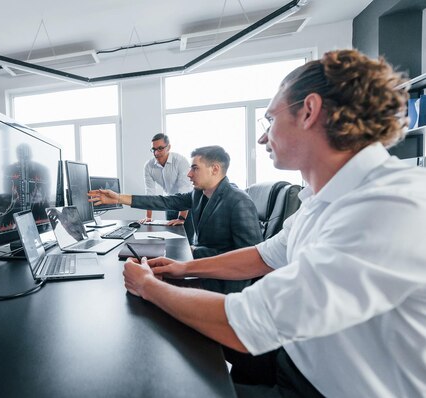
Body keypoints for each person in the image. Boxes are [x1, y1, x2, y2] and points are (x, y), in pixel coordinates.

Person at [122, 49, 426, 397]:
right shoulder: (321, 199)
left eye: (270, 119)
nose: (262, 137)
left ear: (309, 111)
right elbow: (263, 255)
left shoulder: (391, 207)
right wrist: (181, 269)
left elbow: (247, 323)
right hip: (294, 364)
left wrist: (148, 286)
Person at [89, 145, 262, 294]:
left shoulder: (238, 201)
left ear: (215, 169)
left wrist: (229, 304)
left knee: (149, 285)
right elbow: (165, 201)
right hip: (202, 268)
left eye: (195, 168)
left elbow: (251, 261)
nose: (189, 174)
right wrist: (118, 198)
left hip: (224, 285)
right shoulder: (199, 194)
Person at [142, 133, 193, 238]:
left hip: (187, 206)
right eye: (154, 149)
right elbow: (150, 192)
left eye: (160, 148)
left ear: (168, 147)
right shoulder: (149, 166)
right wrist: (148, 217)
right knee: (171, 238)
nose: (156, 153)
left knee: (187, 241)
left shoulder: (180, 161)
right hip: (170, 204)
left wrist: (181, 218)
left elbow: (184, 191)